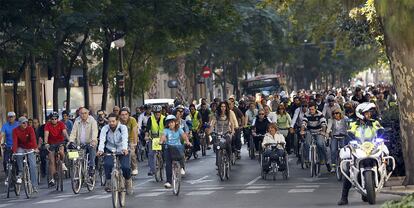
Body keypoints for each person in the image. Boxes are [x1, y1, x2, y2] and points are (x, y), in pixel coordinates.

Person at [337, 102, 385, 205]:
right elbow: (349, 132)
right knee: (348, 169)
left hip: (372, 147)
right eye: (367, 113)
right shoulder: (353, 123)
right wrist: (350, 137)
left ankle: (382, 176)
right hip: (358, 148)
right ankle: (344, 197)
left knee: (385, 155)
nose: (369, 115)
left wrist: (382, 132)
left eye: (370, 113)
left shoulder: (374, 122)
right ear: (360, 114)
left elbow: (380, 129)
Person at [97, 113, 133, 195]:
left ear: (117, 121)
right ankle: (109, 182)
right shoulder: (105, 129)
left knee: (125, 167)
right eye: (109, 121)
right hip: (110, 149)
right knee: (107, 164)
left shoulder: (122, 128)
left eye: (113, 121)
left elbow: (125, 138)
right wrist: (100, 150)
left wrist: (124, 148)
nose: (111, 123)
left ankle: (128, 181)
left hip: (122, 150)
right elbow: (102, 140)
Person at [160, 115, 191, 188]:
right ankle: (168, 182)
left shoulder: (179, 129)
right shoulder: (166, 130)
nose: (171, 124)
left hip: (177, 147)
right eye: (169, 123)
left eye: (172, 122)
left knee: (181, 156)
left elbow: (184, 136)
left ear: (175, 123)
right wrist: (161, 141)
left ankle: (182, 167)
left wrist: (187, 141)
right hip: (169, 148)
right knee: (168, 164)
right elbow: (163, 136)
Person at [68, 107, 98, 177]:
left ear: (88, 113)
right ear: (79, 114)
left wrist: (93, 140)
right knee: (73, 154)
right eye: (81, 113)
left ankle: (92, 167)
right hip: (80, 143)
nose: (83, 115)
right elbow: (73, 132)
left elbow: (94, 131)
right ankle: (75, 168)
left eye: (85, 113)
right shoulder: (77, 120)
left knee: (92, 148)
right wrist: (71, 141)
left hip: (90, 142)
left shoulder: (92, 121)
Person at [12, 117, 39, 192]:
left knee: (33, 166)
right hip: (21, 147)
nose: (25, 124)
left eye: (26, 122)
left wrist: (35, 148)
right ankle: (20, 172)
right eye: (23, 123)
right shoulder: (15, 130)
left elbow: (33, 139)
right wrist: (14, 151)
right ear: (20, 123)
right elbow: (15, 141)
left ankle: (34, 186)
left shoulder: (30, 129)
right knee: (18, 155)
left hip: (30, 147)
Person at [44, 112, 70, 186]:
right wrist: (46, 143)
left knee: (61, 152)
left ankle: (62, 163)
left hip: (60, 142)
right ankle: (53, 177)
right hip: (51, 143)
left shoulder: (61, 124)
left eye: (56, 119)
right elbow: (46, 134)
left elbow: (65, 133)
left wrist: (69, 140)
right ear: (50, 119)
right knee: (51, 160)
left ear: (57, 119)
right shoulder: (47, 125)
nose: (54, 120)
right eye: (52, 119)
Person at [300, 102, 327, 167]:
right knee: (307, 143)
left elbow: (323, 123)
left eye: (312, 109)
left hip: (319, 131)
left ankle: (322, 158)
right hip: (310, 131)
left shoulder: (320, 114)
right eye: (310, 109)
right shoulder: (306, 114)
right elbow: (304, 123)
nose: (311, 111)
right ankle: (306, 159)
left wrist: (323, 131)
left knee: (320, 144)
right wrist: (302, 130)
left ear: (315, 109)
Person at [209, 101, 234, 167]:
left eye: (224, 106)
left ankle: (229, 156)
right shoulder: (216, 115)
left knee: (228, 143)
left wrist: (232, 131)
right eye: (222, 106)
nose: (223, 108)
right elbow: (212, 124)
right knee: (217, 146)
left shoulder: (228, 114)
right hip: (218, 134)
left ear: (226, 108)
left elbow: (232, 124)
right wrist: (210, 131)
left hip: (227, 133)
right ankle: (218, 162)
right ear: (220, 107)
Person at [326, 107, 348, 173]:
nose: (335, 115)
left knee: (344, 150)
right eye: (334, 114)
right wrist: (327, 133)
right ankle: (333, 166)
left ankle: (345, 165)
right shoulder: (331, 120)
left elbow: (349, 126)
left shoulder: (345, 119)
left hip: (343, 136)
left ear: (340, 113)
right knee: (333, 150)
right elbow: (329, 128)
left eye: (337, 113)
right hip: (334, 136)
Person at [145, 105, 165, 176]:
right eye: (155, 112)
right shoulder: (150, 119)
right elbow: (147, 129)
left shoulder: (164, 118)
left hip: (162, 138)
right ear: (153, 113)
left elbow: (167, 129)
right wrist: (146, 136)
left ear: (161, 112)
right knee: (151, 154)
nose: (157, 114)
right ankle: (152, 169)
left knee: (166, 151)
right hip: (153, 139)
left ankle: (164, 163)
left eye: (158, 112)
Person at [119, 107, 139, 175]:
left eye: (126, 114)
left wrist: (135, 143)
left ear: (128, 115)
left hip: (131, 139)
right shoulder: (118, 121)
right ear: (120, 115)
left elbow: (134, 131)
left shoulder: (132, 120)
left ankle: (134, 167)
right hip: (120, 140)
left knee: (132, 153)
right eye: (122, 114)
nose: (124, 116)